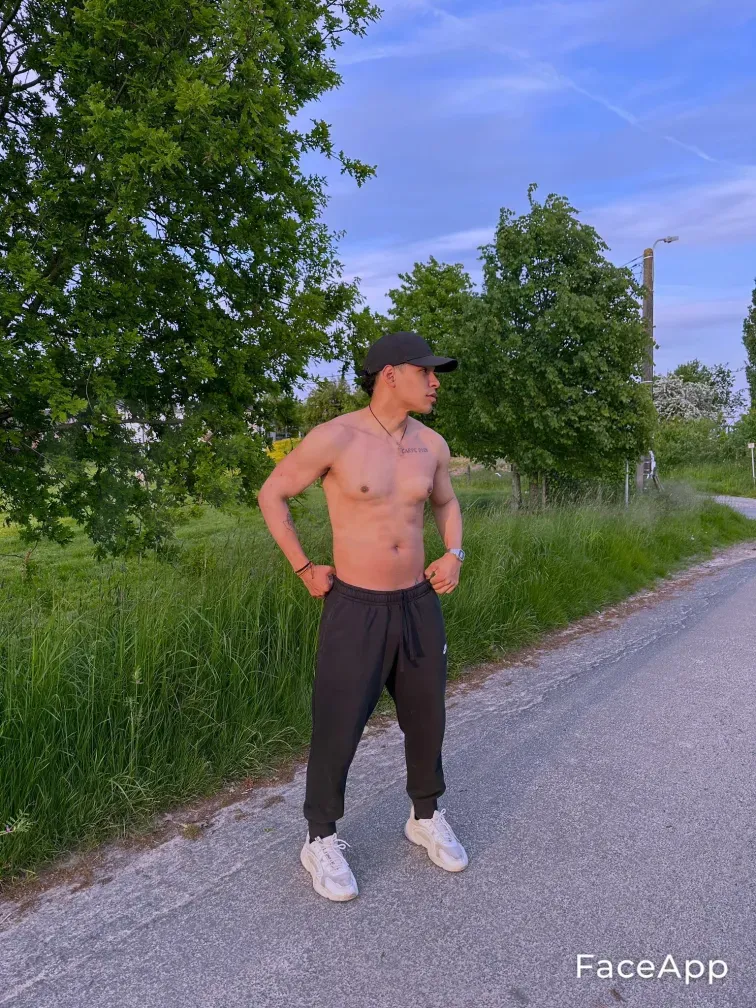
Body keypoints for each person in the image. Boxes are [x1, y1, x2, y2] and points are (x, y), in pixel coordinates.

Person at [257, 331, 469, 902]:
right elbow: (272, 494)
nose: (435, 382)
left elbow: (446, 502)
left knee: (427, 719)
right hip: (356, 607)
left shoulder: (431, 444)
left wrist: (453, 552)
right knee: (338, 723)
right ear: (390, 374)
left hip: (418, 603)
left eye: (436, 373)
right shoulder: (337, 437)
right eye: (425, 372)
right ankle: (320, 838)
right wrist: (304, 567)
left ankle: (425, 815)